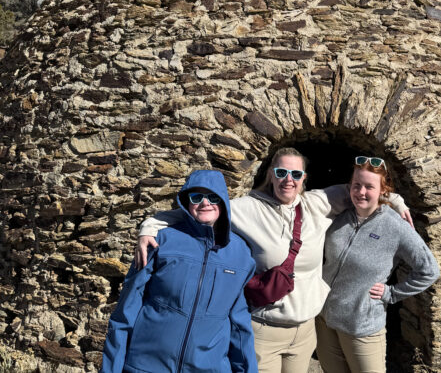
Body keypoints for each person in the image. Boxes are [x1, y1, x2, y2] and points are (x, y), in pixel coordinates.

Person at [135, 148, 413, 373]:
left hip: (305, 332)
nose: (288, 179)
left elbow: (365, 188)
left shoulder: (318, 203)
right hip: (265, 330)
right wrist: (150, 226)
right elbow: (200, 210)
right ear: (271, 174)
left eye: (295, 173)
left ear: (304, 177)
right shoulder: (247, 208)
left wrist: (398, 202)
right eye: (281, 172)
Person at [101, 170, 257, 373]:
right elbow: (125, 313)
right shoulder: (160, 241)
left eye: (213, 197)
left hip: (209, 367)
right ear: (186, 202)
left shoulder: (240, 254)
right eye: (196, 197)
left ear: (224, 202)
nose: (205, 203)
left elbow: (240, 325)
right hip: (146, 365)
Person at [315, 156, 440, 373]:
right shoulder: (340, 215)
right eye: (357, 185)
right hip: (325, 322)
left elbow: (429, 270)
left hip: (362, 328)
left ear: (383, 190)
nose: (361, 192)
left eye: (369, 187)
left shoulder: (395, 226)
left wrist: (392, 293)